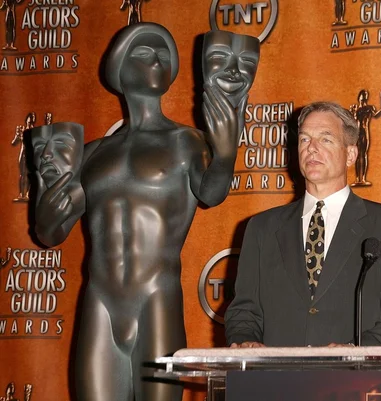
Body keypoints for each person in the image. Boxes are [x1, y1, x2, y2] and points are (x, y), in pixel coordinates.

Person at [33, 23, 246, 401]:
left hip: (156, 297)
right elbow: (52, 234)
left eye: (163, 54)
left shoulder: (187, 141)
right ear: (119, 69)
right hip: (99, 300)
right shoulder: (93, 152)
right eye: (144, 53)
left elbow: (211, 193)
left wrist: (226, 156)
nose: (157, 60)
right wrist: (46, 213)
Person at [225, 101, 381, 347]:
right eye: (304, 140)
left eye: (325, 140)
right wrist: (246, 340)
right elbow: (244, 310)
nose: (311, 149)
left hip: (356, 379)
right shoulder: (262, 228)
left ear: (351, 154)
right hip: (276, 379)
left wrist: (355, 350)